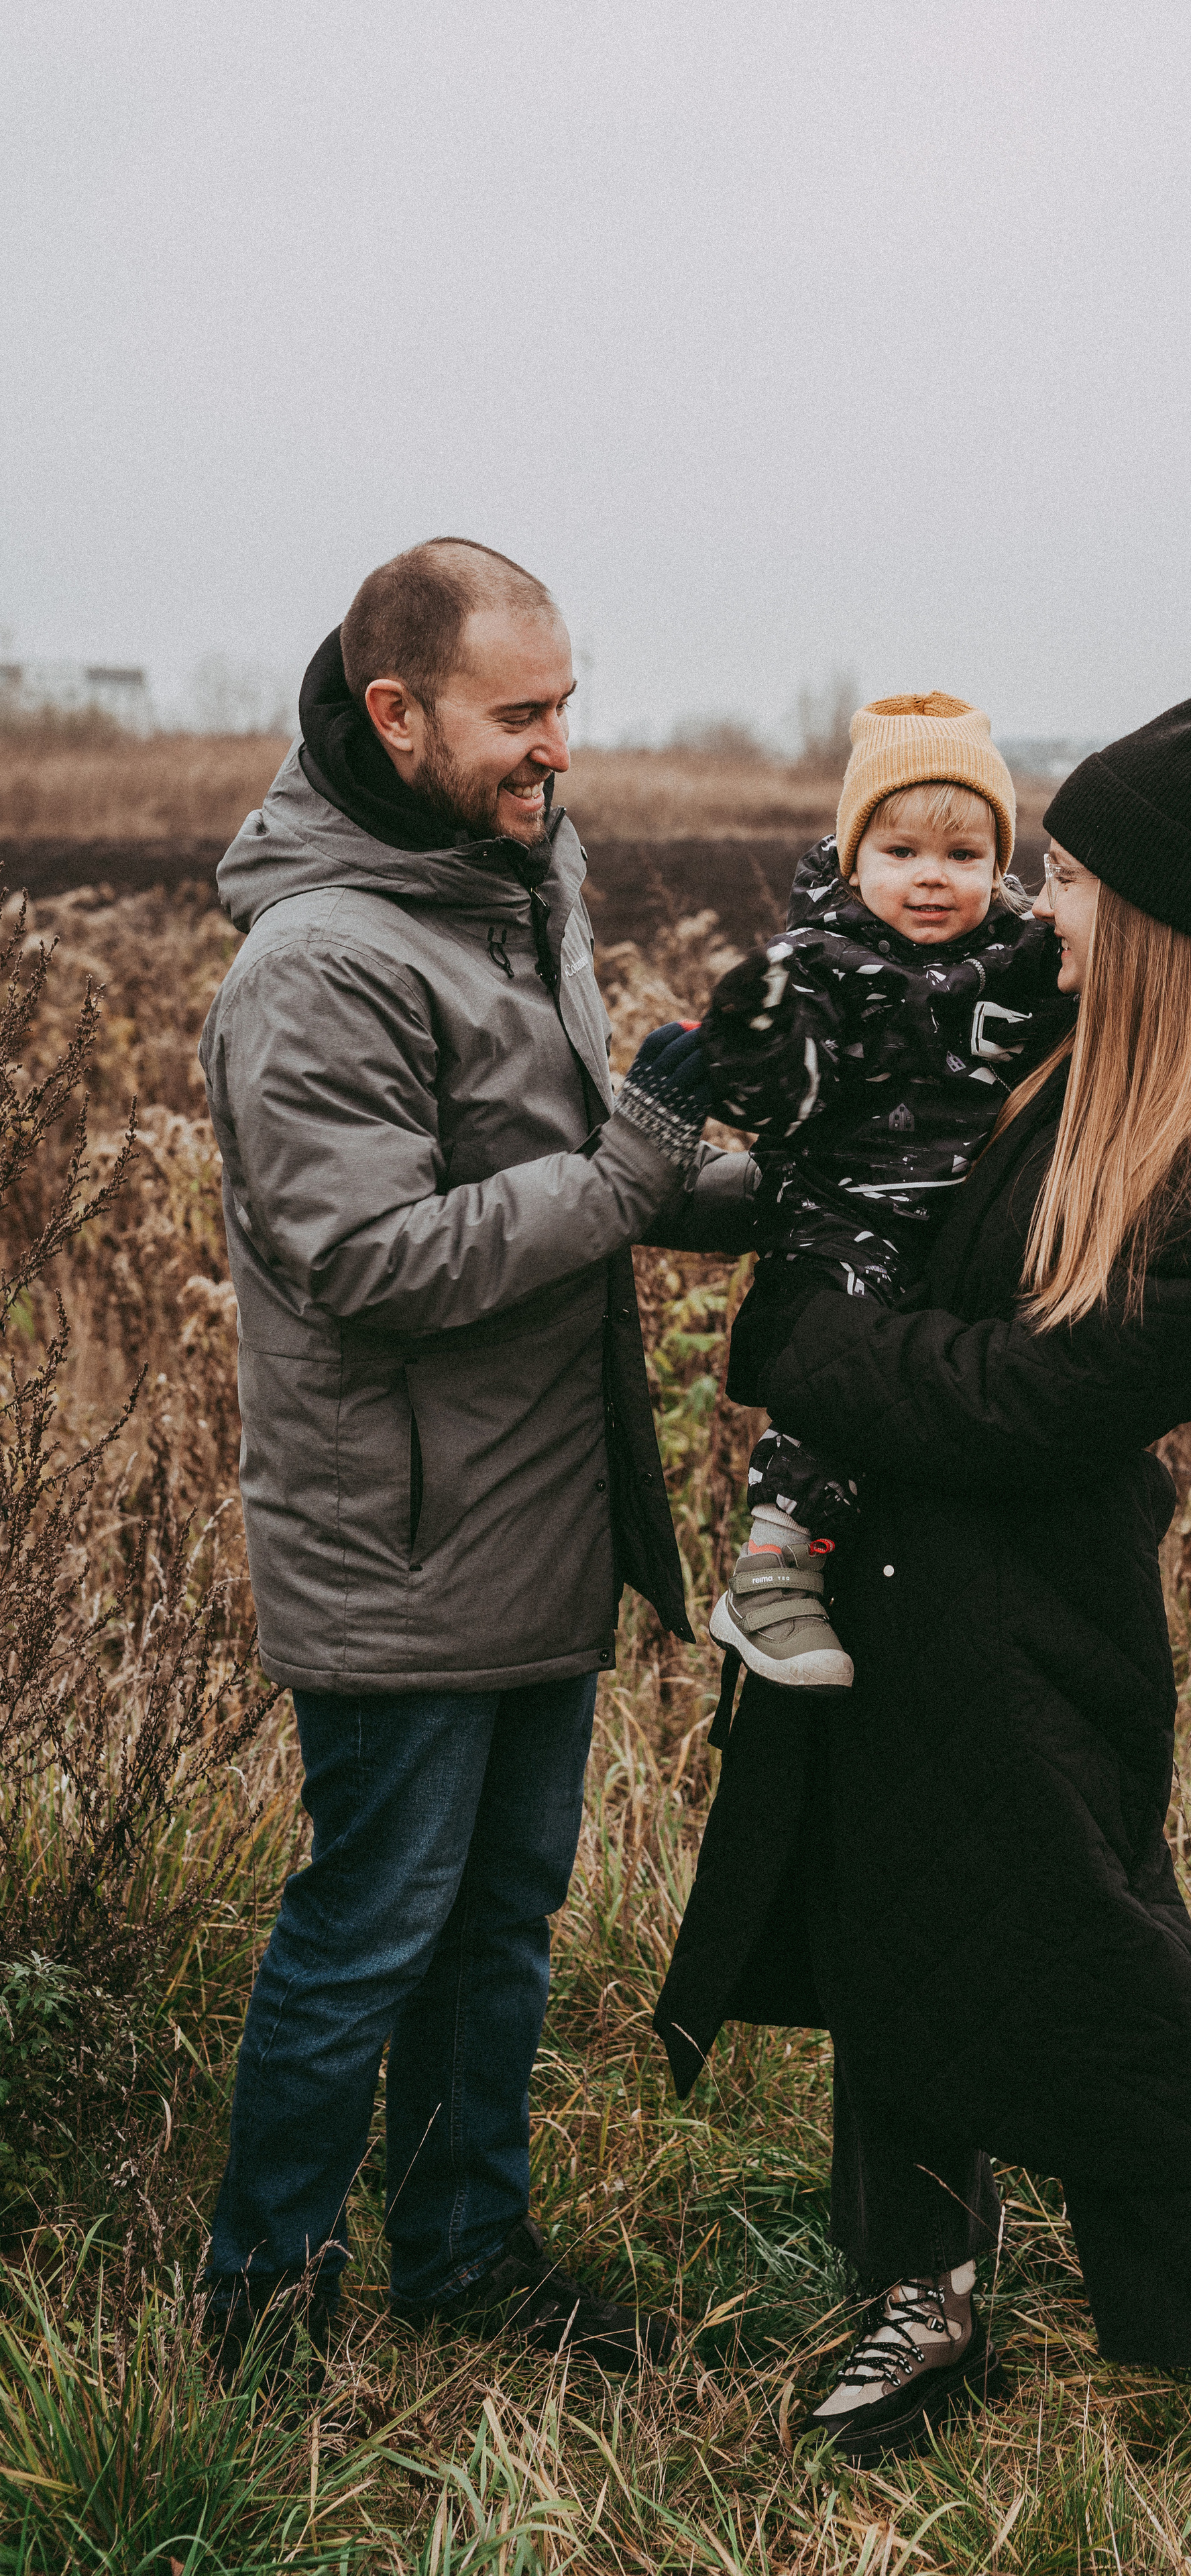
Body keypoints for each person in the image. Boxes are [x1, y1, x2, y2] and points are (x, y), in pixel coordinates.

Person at [655, 688, 1191, 2573]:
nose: (1037, 902)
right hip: (890, 1581)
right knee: (890, 1917)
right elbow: (855, 1145)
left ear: (1144, 918)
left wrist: (802, 1342)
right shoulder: (1032, 1045)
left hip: (1034, 1616)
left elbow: (1026, 1396)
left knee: (1097, 1959)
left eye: (1070, 876)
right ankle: (927, 2282)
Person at [197, 537, 722, 2385]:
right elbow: (372, 1261)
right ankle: (260, 2310)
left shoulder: (511, 884)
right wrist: (641, 1177)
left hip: (535, 1520)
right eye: (523, 714)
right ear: (396, 713)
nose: (559, 748)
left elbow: (581, 1146)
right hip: (403, 1538)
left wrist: (776, 1184)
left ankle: (465, 2257)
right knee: (371, 1930)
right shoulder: (322, 963)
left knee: (501, 1920)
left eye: (568, 705)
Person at [701, 692, 1070, 1689]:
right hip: (846, 1211)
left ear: (1000, 867)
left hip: (963, 1212)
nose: (931, 880)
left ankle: (890, 1571)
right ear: (854, 857)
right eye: (900, 852)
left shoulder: (1020, 955)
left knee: (955, 1375)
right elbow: (788, 1089)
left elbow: (1093, 999)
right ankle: (772, 1568)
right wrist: (758, 1047)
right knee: (840, 1360)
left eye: (961, 858)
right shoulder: (825, 965)